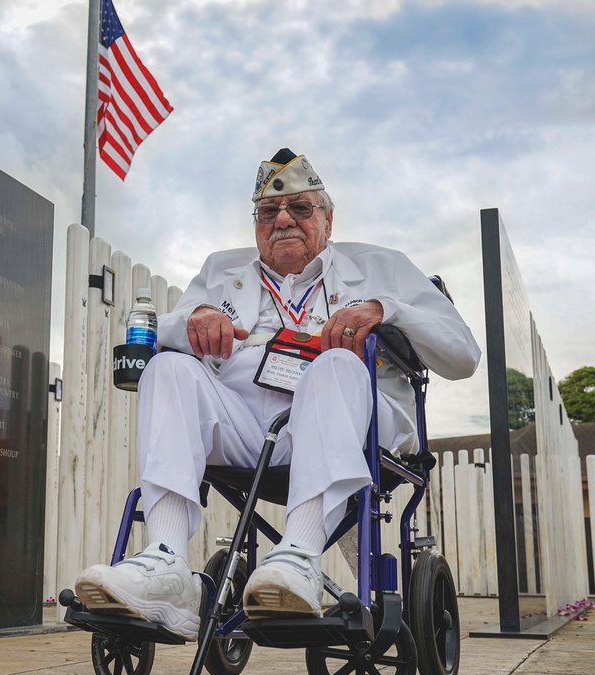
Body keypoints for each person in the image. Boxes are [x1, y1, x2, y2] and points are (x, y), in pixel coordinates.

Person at [74, 148, 481, 641]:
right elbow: (166, 328)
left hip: (352, 424)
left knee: (335, 363)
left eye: (300, 209)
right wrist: (195, 318)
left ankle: (299, 556)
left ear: (328, 220)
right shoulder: (221, 269)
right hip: (246, 428)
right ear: (256, 225)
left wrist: (385, 308)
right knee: (168, 370)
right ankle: (165, 563)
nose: (283, 219)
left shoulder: (382, 266)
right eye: (269, 213)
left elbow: (463, 355)